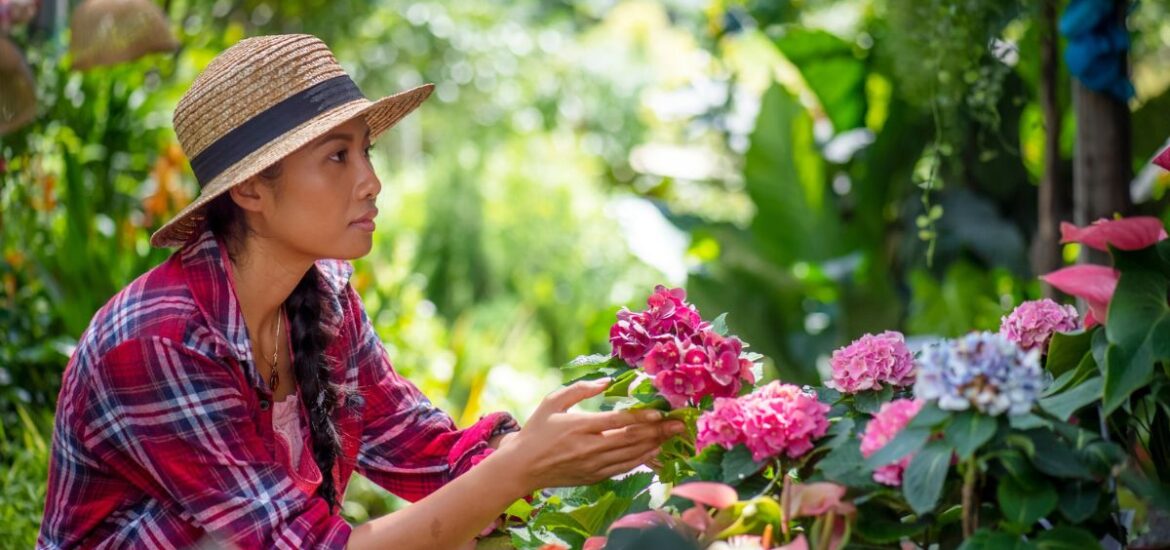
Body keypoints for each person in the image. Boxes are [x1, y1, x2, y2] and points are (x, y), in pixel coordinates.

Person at [37, 33, 682, 549]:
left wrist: (609, 442)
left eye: (366, 152)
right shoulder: (158, 341)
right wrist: (520, 468)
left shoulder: (322, 296)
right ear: (252, 190)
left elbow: (423, 449)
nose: (372, 182)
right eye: (338, 157)